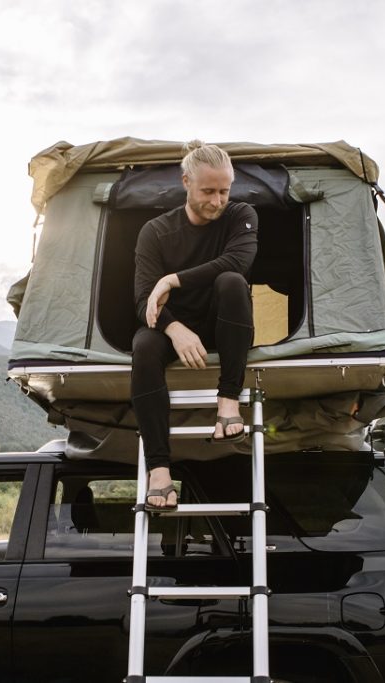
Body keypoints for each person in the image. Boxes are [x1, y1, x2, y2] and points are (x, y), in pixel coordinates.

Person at [131, 141, 257, 510]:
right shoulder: (155, 232)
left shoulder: (241, 215)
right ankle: (158, 471)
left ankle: (228, 402)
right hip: (175, 327)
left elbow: (238, 260)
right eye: (208, 191)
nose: (218, 200)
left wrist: (171, 280)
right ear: (186, 182)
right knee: (144, 346)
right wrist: (173, 328)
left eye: (224, 191)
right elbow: (143, 300)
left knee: (232, 281)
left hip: (225, 324)